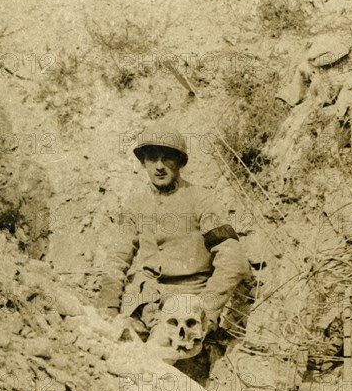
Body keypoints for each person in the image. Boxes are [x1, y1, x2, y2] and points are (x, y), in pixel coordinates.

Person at [99, 123, 250, 363]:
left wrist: (206, 311)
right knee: (105, 350)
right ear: (143, 163)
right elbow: (117, 258)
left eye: (167, 158)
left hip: (186, 305)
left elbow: (234, 260)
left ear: (180, 162)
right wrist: (107, 308)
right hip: (142, 302)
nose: (159, 166)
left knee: (153, 364)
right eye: (152, 158)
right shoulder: (135, 203)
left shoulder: (202, 200)